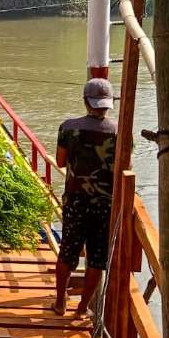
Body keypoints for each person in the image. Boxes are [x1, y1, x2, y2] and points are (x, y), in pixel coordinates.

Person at [52, 78, 118, 318]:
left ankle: (60, 303)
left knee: (68, 251)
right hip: (105, 205)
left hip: (75, 201)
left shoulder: (68, 128)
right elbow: (125, 167)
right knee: (97, 257)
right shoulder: (118, 131)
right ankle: (81, 310)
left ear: (85, 101)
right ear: (108, 104)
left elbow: (60, 161)